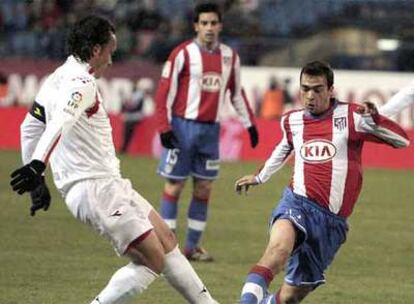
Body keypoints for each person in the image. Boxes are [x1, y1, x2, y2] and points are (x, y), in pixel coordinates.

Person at [9, 15, 218, 304]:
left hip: (108, 183)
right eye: (110, 50)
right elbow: (62, 121)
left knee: (167, 242)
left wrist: (37, 181)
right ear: (96, 50)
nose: (111, 59)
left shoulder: (55, 79)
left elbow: (29, 127)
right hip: (94, 188)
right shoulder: (82, 83)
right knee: (151, 261)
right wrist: (36, 166)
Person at [234, 61, 409, 304]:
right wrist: (260, 176)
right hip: (297, 203)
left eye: (317, 89)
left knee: (290, 297)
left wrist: (376, 119)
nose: (310, 96)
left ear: (331, 90)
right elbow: (284, 148)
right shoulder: (292, 121)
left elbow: (402, 141)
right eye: (305, 89)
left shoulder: (352, 117)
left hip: (331, 223)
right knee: (277, 252)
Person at [155, 2, 258, 262]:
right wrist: (165, 127)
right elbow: (164, 93)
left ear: (220, 25)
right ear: (196, 26)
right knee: (174, 186)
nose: (209, 28)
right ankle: (169, 248)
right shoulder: (182, 54)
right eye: (204, 23)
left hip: (210, 132)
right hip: (182, 127)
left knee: (203, 189)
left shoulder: (230, 57)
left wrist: (250, 124)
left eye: (213, 23)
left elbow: (236, 94)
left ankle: (191, 248)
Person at [120, 78, 154, 153]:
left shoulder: (139, 95)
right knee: (126, 133)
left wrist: (128, 107)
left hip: (135, 117)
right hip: (129, 116)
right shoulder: (130, 94)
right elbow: (124, 105)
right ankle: (124, 148)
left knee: (129, 133)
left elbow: (137, 107)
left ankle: (125, 148)